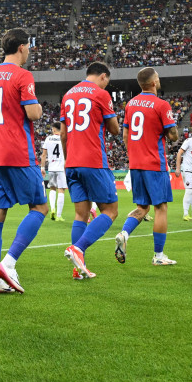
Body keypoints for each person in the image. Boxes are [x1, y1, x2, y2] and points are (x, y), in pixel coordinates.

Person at [0, 28, 48, 295]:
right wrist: (39, 108)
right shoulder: (22, 75)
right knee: (40, 207)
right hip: (17, 151)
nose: (29, 51)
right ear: (21, 47)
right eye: (29, 47)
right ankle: (8, 263)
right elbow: (32, 113)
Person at [112, 67, 178, 267]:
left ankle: (124, 233)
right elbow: (173, 135)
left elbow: (125, 135)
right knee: (161, 208)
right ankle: (158, 255)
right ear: (153, 82)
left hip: (136, 163)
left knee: (142, 207)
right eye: (157, 78)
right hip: (154, 163)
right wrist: (169, 131)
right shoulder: (161, 104)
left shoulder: (131, 104)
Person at [61, 63, 121, 279]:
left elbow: (64, 134)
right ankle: (79, 248)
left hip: (72, 162)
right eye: (107, 81)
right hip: (93, 160)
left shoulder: (68, 95)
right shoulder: (101, 94)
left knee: (81, 214)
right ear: (103, 76)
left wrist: (69, 160)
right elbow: (114, 129)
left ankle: (78, 268)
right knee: (111, 210)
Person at [40, 122, 68, 221]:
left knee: (52, 189)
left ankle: (52, 209)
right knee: (61, 190)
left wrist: (42, 168)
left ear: (54, 129)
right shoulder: (64, 138)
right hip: (61, 168)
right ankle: (59, 216)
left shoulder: (48, 139)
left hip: (51, 168)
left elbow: (43, 155)